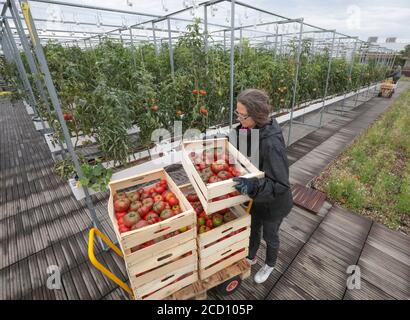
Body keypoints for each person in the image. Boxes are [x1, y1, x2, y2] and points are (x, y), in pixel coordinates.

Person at [230, 88, 293, 284]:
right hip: (257, 197)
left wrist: (253, 187)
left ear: (256, 115)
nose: (239, 118)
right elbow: (243, 145)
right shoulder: (250, 128)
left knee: (270, 235)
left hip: (274, 203)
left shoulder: (271, 143)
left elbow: (280, 184)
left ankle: (270, 264)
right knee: (253, 227)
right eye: (237, 113)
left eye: (242, 115)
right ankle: (251, 255)